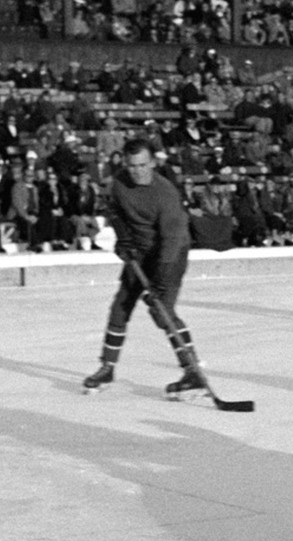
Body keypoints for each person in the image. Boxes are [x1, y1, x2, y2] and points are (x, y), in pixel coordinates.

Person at [81, 138, 203, 399]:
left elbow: (171, 242)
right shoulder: (119, 184)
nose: (138, 171)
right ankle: (107, 367)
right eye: (132, 165)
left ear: (154, 163)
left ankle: (192, 372)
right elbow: (115, 211)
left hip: (170, 254)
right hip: (139, 253)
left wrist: (159, 282)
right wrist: (123, 239)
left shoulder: (166, 194)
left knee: (162, 312)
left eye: (143, 165)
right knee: (120, 306)